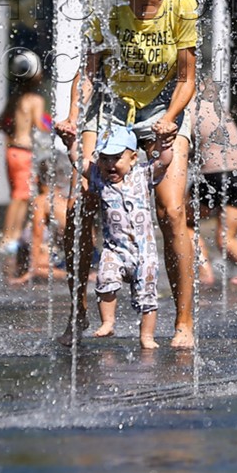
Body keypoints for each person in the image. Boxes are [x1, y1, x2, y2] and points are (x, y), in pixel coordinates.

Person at [59, 0, 199, 349]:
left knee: (171, 211)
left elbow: (187, 77)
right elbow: (89, 70)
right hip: (111, 108)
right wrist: (70, 115)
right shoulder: (111, 0)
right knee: (77, 202)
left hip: (164, 108)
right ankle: (77, 311)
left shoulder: (181, 1)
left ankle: (184, 322)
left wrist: (172, 119)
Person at [187, 80, 237, 286]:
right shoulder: (216, 105)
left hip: (215, 173)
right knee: (226, 237)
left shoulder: (187, 107)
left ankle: (204, 272)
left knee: (183, 222)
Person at [89, 126, 162, 350]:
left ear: (133, 157)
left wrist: (164, 141)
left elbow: (164, 161)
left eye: (117, 158)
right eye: (105, 158)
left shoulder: (142, 174)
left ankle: (147, 336)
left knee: (147, 297)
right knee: (105, 281)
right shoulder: (100, 180)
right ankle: (108, 322)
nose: (111, 164)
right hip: (115, 250)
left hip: (144, 253)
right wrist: (71, 142)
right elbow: (78, 162)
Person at [0, 50, 64, 284]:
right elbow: (40, 124)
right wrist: (54, 124)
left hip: (11, 150)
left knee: (16, 194)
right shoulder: (36, 100)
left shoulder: (14, 98)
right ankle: (9, 238)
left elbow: (0, 123)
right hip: (25, 152)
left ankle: (9, 236)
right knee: (22, 196)